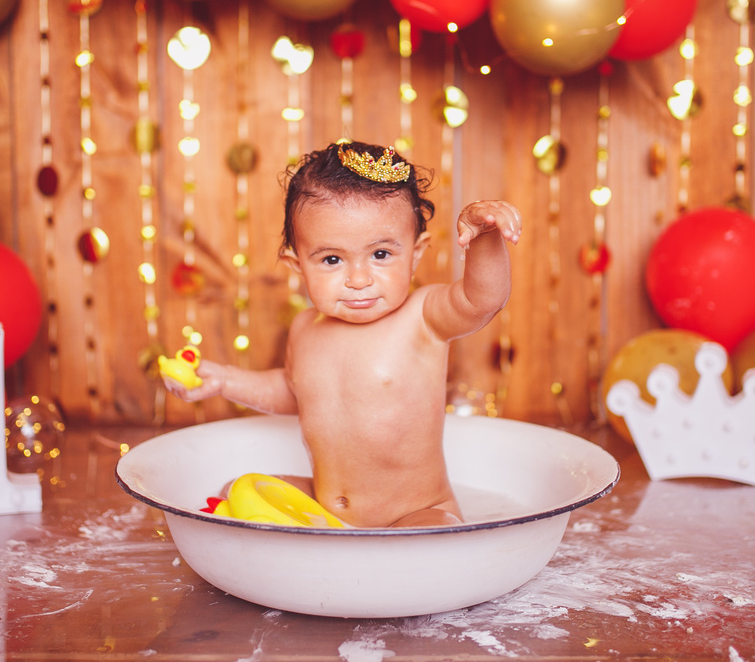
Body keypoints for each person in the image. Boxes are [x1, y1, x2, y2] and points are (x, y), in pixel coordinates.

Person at [164, 140, 521, 528]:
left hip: (415, 512)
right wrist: (224, 380)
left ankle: (388, 549)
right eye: (332, 259)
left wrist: (484, 236)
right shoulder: (305, 328)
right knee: (235, 491)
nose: (359, 279)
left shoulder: (423, 317)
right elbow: (294, 391)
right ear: (297, 266)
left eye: (380, 254)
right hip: (328, 511)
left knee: (430, 534)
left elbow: (484, 299)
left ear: (415, 254)